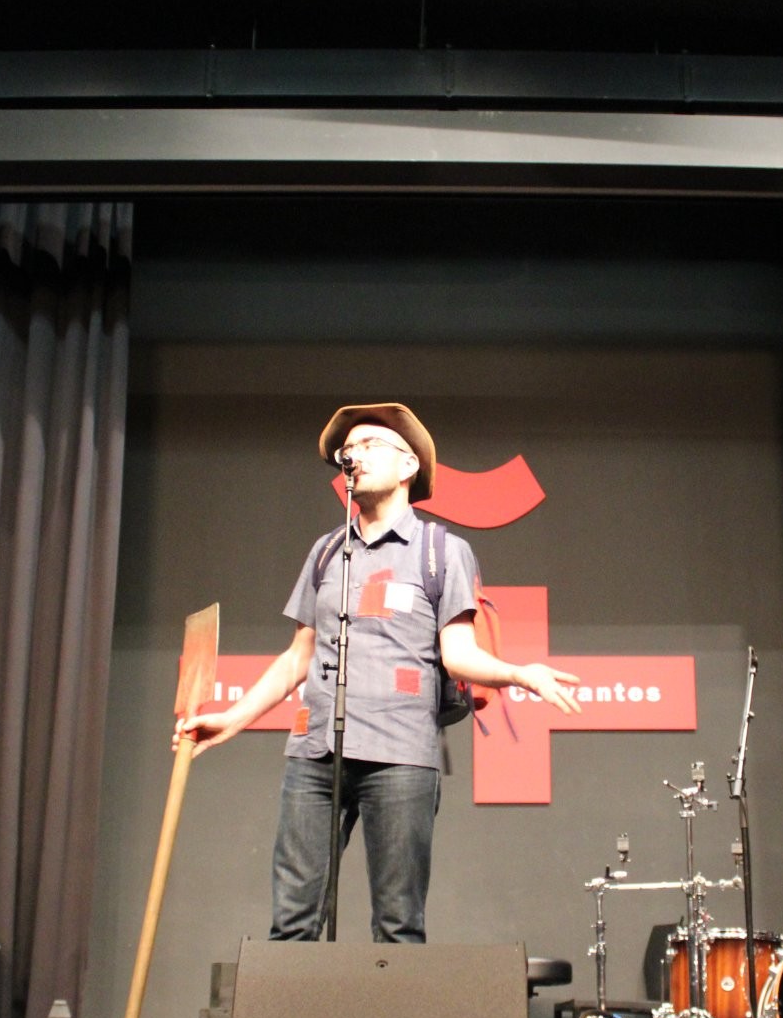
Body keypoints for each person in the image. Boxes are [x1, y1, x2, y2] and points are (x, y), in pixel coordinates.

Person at [175, 402, 582, 943]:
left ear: (408, 465)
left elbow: (457, 653)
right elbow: (299, 656)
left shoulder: (442, 551)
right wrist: (233, 719)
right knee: (291, 924)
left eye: (369, 445)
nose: (353, 455)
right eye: (349, 449)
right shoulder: (325, 553)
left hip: (401, 756)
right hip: (315, 754)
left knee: (397, 925)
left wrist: (519, 674)